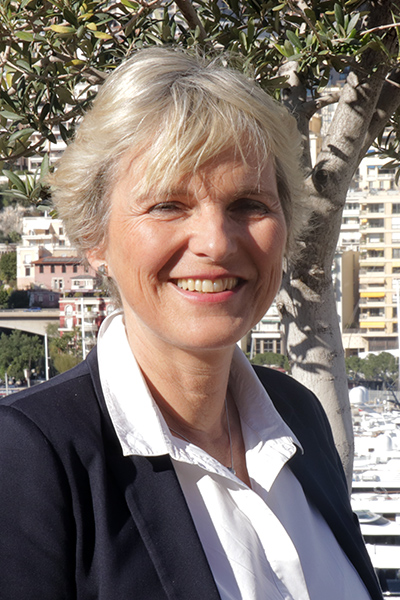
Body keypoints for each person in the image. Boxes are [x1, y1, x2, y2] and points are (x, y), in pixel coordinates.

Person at [0, 47, 382, 600]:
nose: (216, 243)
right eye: (168, 205)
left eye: (248, 204)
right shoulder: (28, 456)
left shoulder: (299, 417)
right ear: (94, 238)